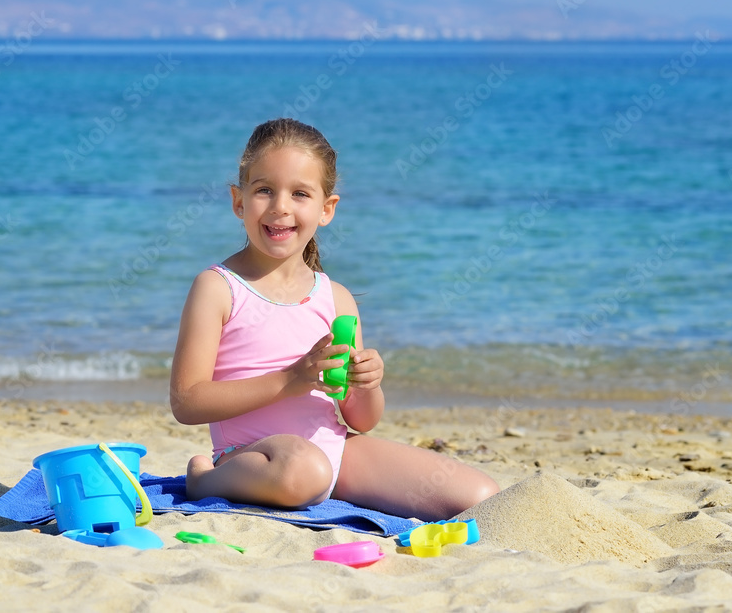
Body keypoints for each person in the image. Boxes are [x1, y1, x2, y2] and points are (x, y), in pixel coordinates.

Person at [169, 118, 499, 521]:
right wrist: (290, 380)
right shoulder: (218, 288)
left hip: (336, 454)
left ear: (327, 209)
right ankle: (204, 479)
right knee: (304, 470)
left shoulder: (336, 299)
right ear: (239, 201)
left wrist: (367, 384)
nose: (281, 207)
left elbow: (362, 419)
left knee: (481, 495)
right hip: (255, 460)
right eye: (264, 190)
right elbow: (187, 401)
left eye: (300, 193)